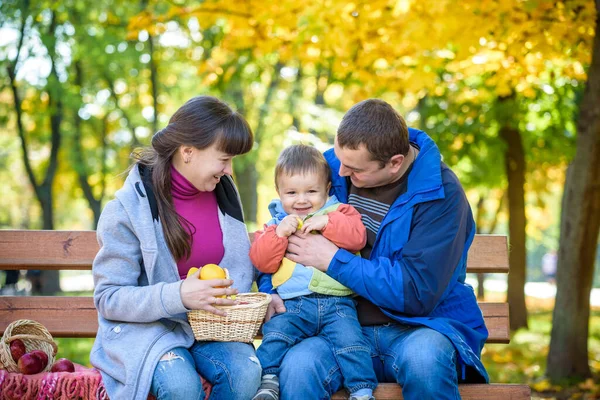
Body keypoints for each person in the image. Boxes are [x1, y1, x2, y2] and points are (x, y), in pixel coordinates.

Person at [260, 99, 489, 400]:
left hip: (418, 327)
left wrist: (332, 260)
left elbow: (416, 292)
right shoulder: (331, 168)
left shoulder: (441, 196)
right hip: (338, 323)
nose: (339, 171)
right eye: (339, 158)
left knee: (424, 360)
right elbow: (278, 228)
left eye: (354, 169)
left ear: (394, 162)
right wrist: (269, 290)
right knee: (300, 367)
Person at [91, 96, 262, 400]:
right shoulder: (128, 209)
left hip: (212, 327)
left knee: (246, 373)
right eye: (224, 159)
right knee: (180, 385)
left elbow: (240, 264)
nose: (230, 170)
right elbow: (110, 298)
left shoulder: (224, 192)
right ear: (187, 152)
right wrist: (179, 295)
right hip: (151, 329)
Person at [252, 145, 377, 400]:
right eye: (291, 192)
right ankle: (268, 381)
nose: (301, 200)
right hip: (293, 304)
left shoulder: (340, 212)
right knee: (275, 335)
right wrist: (279, 235)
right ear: (279, 193)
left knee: (351, 343)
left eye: (311, 191)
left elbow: (357, 237)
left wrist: (327, 223)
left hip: (338, 303)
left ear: (327, 190)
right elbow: (262, 262)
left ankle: (362, 390)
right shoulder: (275, 224)